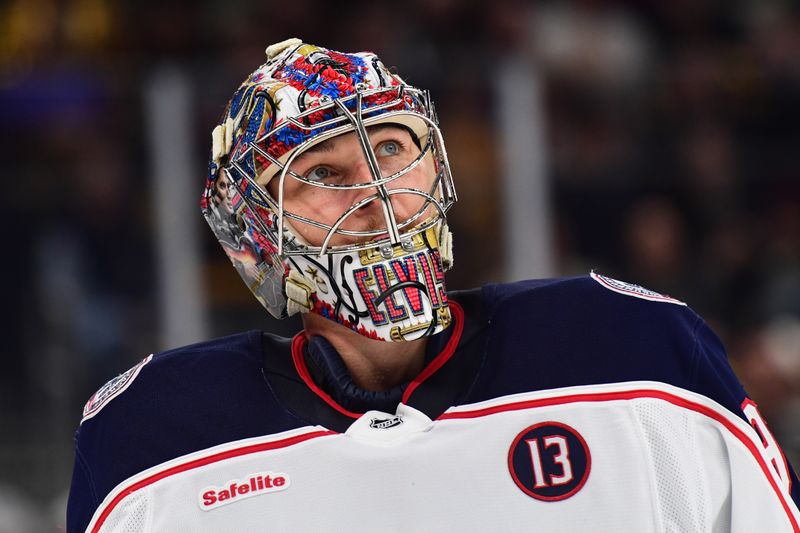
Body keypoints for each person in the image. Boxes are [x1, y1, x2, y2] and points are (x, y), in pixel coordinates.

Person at [67, 39, 800, 532]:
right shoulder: (150, 445)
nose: (376, 194)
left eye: (390, 148)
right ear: (257, 233)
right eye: (321, 172)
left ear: (436, 167)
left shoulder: (637, 350)